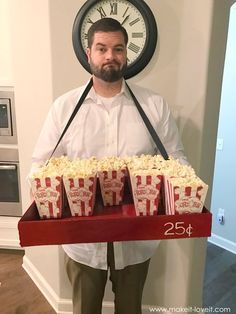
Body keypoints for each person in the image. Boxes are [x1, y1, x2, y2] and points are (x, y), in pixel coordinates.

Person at [31, 18, 187, 314]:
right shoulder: (63, 108)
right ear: (88, 53)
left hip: (137, 240)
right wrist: (42, 197)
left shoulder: (154, 105)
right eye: (101, 48)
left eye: (117, 49)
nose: (110, 56)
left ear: (126, 53)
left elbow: (176, 160)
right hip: (81, 244)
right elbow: (40, 165)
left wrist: (183, 193)